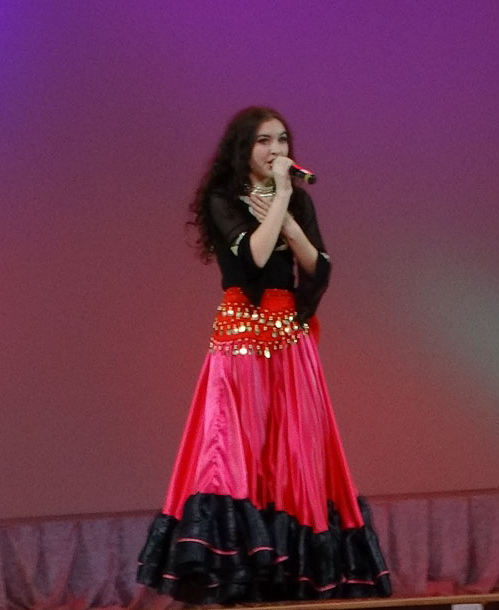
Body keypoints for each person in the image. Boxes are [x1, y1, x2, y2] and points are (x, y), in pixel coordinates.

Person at [137, 107, 391, 605]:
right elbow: (253, 256)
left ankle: (293, 573)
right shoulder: (222, 199)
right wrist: (277, 204)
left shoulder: (298, 200)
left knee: (295, 453)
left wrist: (288, 210)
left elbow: (317, 269)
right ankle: (240, 570)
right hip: (240, 339)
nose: (276, 150)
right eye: (263, 141)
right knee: (232, 449)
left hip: (289, 340)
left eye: (282, 140)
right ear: (243, 149)